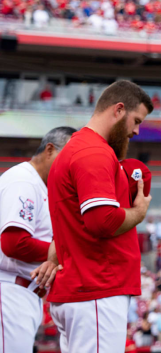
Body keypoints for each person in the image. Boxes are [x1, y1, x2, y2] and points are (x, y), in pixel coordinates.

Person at [46, 81, 154, 352]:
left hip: (85, 289)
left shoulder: (78, 147)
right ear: (119, 110)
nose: (137, 131)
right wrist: (138, 213)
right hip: (95, 289)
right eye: (136, 120)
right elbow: (101, 220)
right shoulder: (93, 151)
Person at [0, 127, 75, 352]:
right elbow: (14, 243)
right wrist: (62, 252)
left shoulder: (41, 185)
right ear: (50, 150)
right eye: (69, 159)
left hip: (23, 292)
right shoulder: (24, 181)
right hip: (9, 290)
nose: (73, 167)